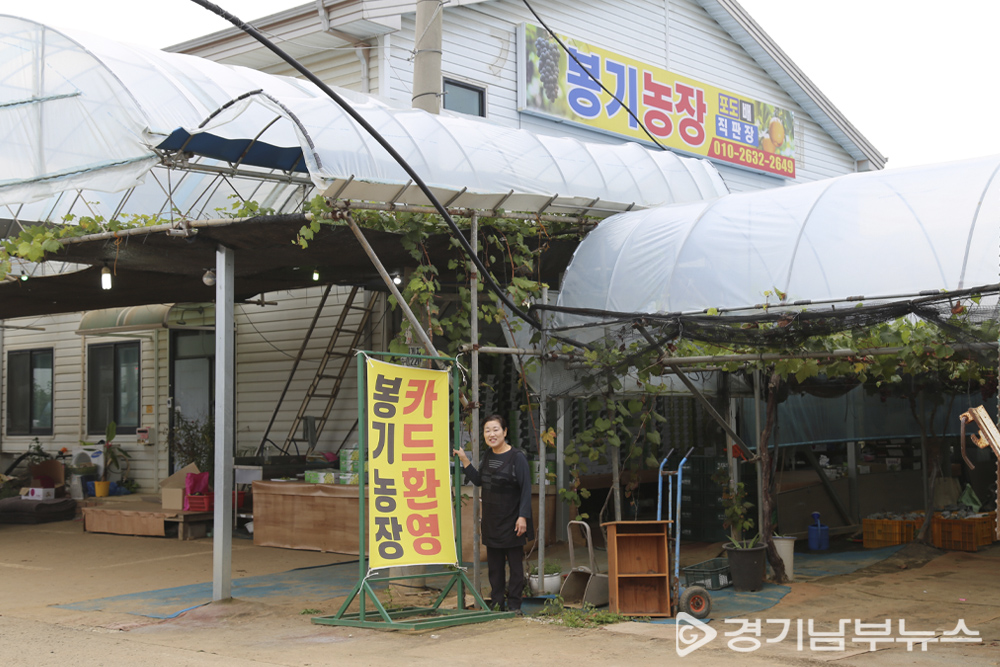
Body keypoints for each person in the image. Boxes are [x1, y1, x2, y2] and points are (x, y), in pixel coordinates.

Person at [453, 414, 533, 614]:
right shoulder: (488, 456)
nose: (491, 434)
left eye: (496, 429)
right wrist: (464, 459)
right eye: (487, 430)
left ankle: (514, 605)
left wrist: (523, 516)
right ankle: (497, 604)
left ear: (505, 432)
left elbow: (526, 489)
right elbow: (479, 480)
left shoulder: (517, 457)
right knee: (495, 568)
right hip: (491, 522)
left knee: (515, 568)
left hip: (513, 521)